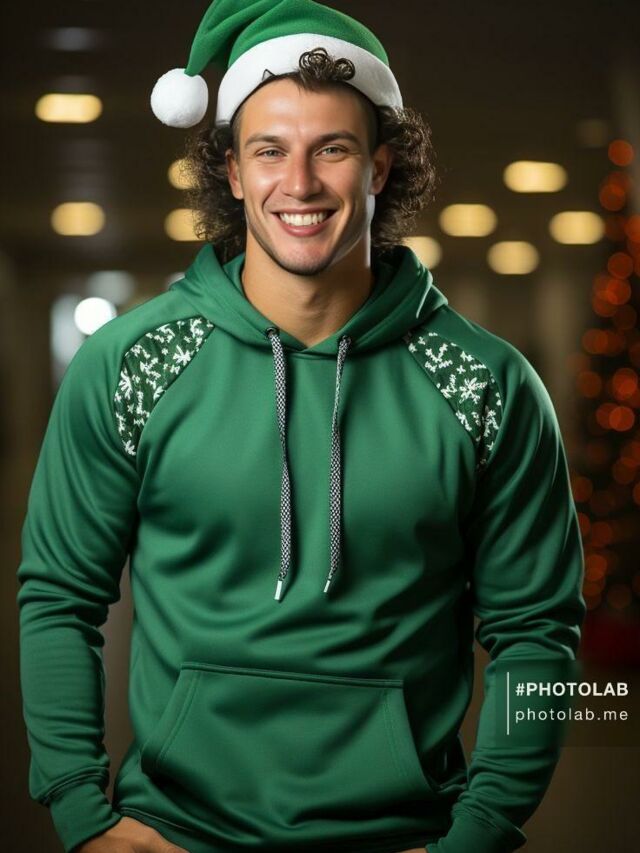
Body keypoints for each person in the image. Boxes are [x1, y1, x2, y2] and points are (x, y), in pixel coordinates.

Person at [16, 1, 586, 852]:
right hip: (176, 829)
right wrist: (80, 812)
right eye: (270, 150)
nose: (301, 183)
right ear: (231, 171)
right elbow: (59, 596)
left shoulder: (487, 384)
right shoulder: (130, 364)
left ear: (381, 166)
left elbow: (538, 631)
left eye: (333, 148)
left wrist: (483, 829)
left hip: (405, 831)